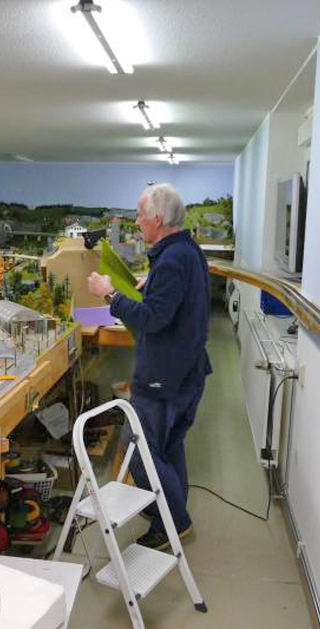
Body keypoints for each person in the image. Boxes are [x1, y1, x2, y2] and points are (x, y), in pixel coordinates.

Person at [87, 183, 211, 550]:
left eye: (140, 215)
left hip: (164, 378)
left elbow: (152, 319)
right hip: (187, 372)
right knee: (169, 448)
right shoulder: (186, 251)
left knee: (138, 451)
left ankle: (174, 522)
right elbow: (178, 298)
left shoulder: (172, 260)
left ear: (157, 219)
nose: (137, 222)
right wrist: (151, 282)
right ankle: (171, 513)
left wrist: (109, 294)